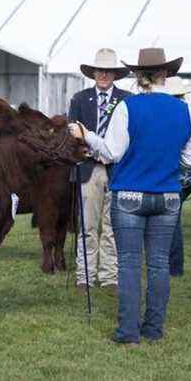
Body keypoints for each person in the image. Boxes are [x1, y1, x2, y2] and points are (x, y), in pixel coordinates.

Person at [69, 48, 191, 345]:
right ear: (165, 74)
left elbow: (112, 151)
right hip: (167, 196)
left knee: (129, 263)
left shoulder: (128, 107)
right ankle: (153, 329)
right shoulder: (184, 111)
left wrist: (87, 136)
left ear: (139, 76)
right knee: (158, 264)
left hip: (129, 194)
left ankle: (128, 331)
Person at [68, 48, 132, 293]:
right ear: (93, 73)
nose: (104, 75)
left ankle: (109, 275)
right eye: (100, 70)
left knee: (112, 226)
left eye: (108, 71)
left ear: (114, 74)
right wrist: (88, 151)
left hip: (117, 170)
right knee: (87, 226)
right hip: (89, 168)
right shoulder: (80, 99)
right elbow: (72, 131)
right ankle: (85, 275)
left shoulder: (126, 99)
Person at [162, 77, 191, 277]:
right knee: (173, 217)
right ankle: (173, 265)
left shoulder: (173, 114)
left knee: (170, 219)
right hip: (190, 173)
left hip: (178, 171)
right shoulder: (190, 113)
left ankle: (173, 265)